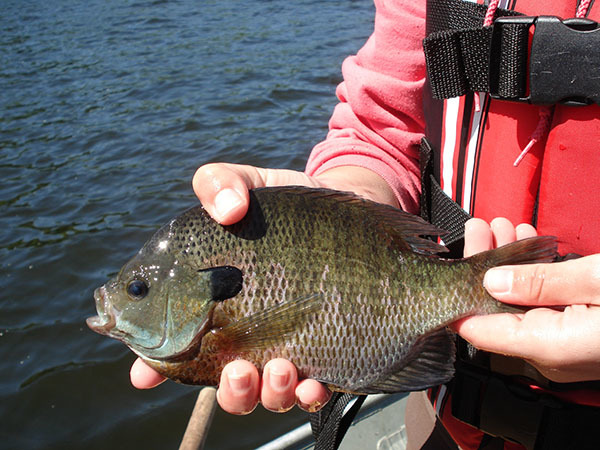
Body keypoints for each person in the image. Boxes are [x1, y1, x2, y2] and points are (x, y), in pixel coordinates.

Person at [131, 0, 600, 448]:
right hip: (448, 419)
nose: (127, 297)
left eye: (139, 291)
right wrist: (345, 190)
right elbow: (382, 125)